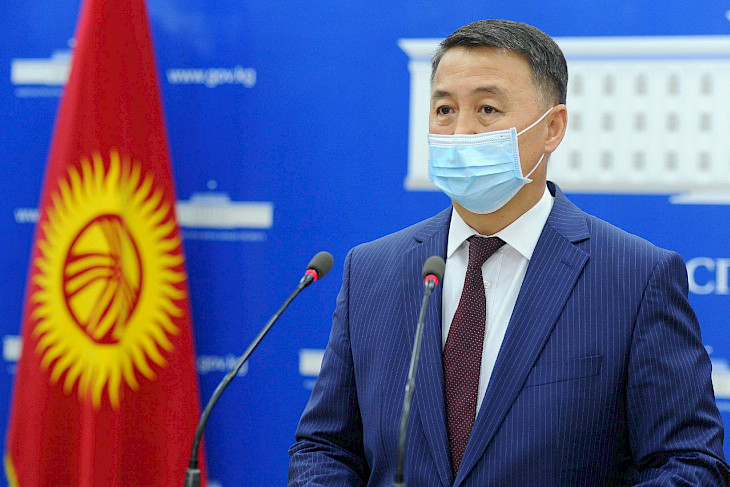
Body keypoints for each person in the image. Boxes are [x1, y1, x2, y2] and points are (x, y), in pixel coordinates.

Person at [288, 19, 729, 486]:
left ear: (553, 128)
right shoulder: (372, 270)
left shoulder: (636, 277)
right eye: (444, 109)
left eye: (487, 109)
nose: (460, 132)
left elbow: (689, 463)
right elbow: (325, 448)